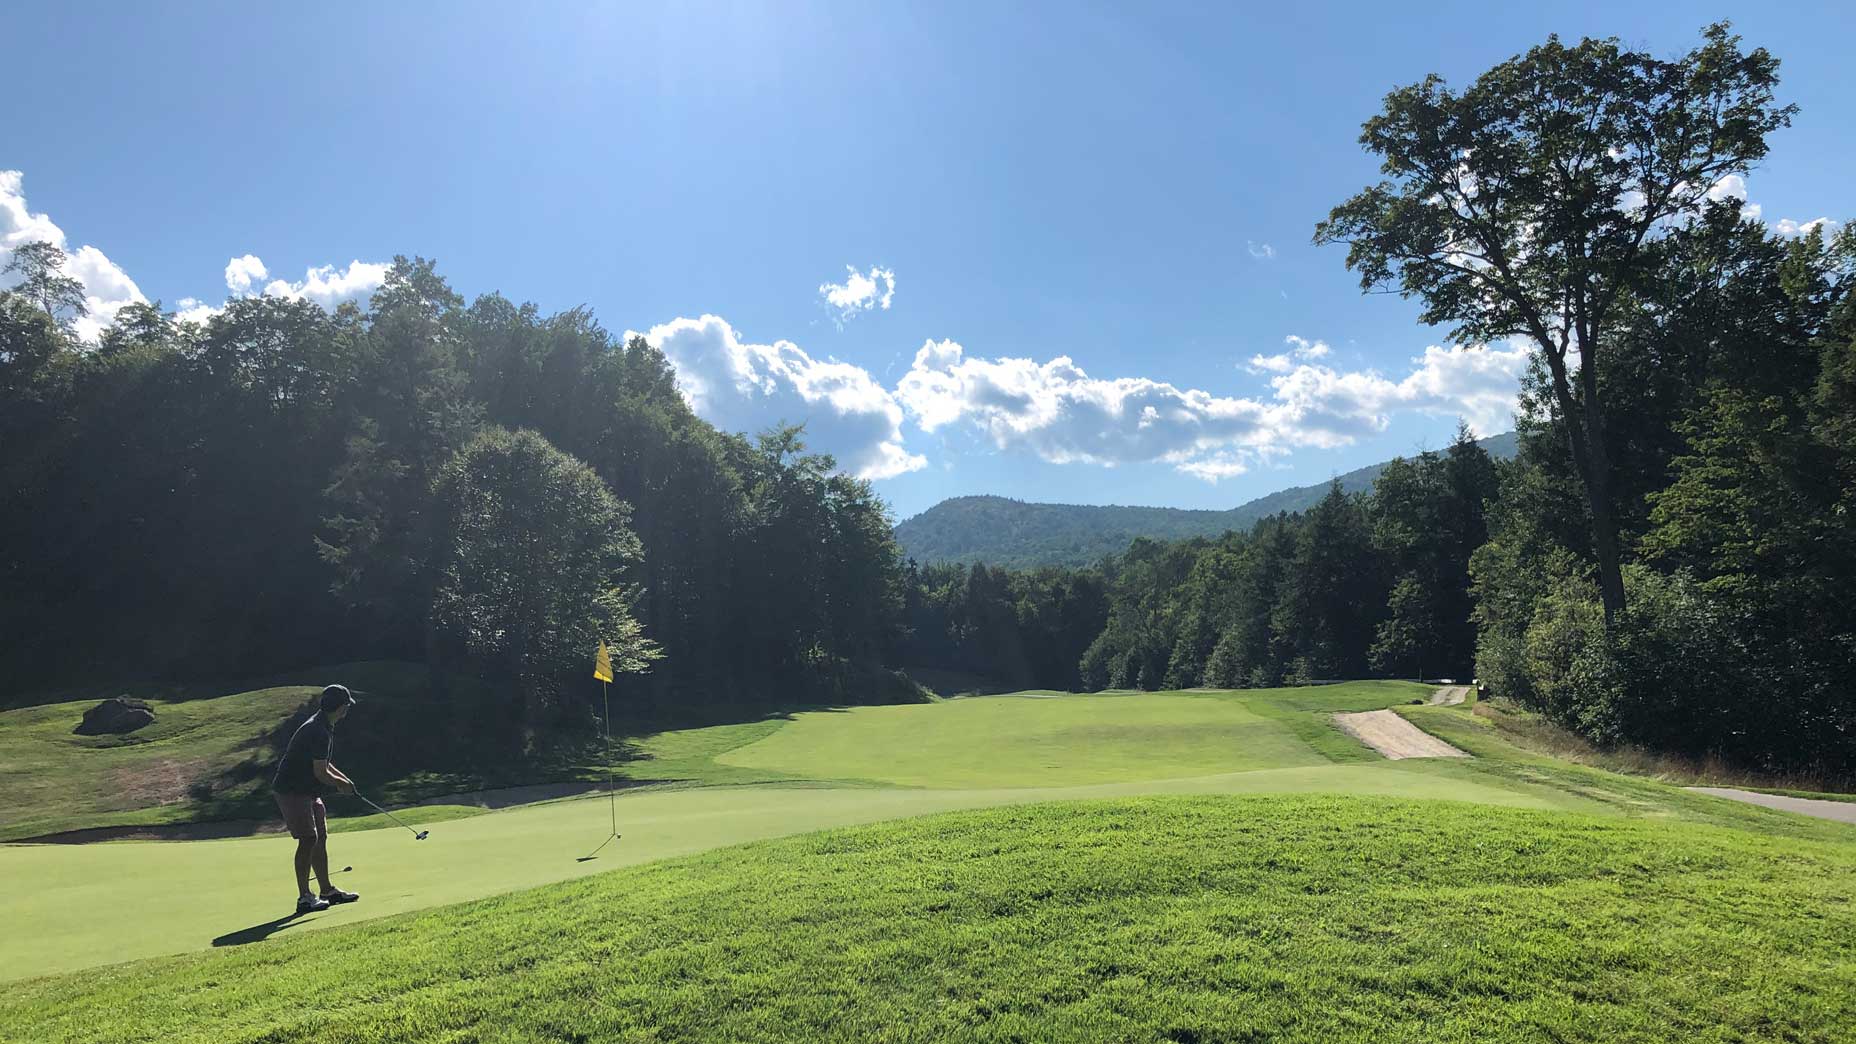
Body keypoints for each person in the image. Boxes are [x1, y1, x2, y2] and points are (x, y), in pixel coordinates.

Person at [273, 684, 362, 914]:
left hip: (309, 791)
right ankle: (304, 897)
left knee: (319, 837)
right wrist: (341, 784)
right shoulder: (318, 731)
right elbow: (320, 773)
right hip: (292, 790)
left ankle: (327, 890)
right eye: (346, 707)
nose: (346, 712)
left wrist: (345, 780)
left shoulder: (323, 725)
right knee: (308, 838)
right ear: (341, 707)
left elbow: (323, 764)